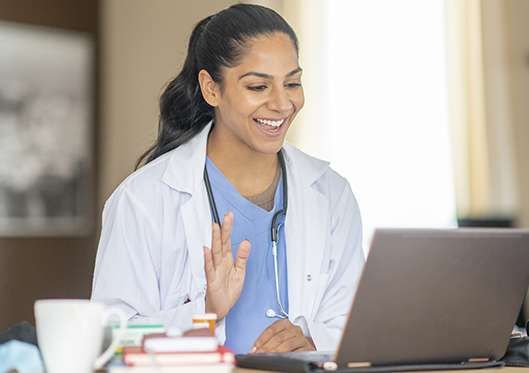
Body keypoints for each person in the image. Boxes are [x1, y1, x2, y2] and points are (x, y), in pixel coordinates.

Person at [91, 3, 364, 355]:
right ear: (211, 89)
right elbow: (109, 338)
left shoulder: (332, 193)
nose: (283, 104)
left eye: (292, 83)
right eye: (258, 86)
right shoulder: (144, 199)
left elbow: (353, 323)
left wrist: (313, 339)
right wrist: (205, 311)